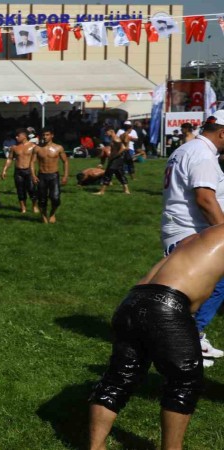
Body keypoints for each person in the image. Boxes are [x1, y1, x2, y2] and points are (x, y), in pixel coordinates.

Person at [87, 222, 224, 450]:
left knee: (119, 377)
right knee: (185, 381)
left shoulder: (196, 238)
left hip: (131, 302)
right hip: (166, 305)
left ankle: (95, 446)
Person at [161, 111, 224, 367]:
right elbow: (205, 199)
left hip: (183, 230)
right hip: (192, 232)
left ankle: (187, 336)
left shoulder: (188, 149)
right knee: (206, 288)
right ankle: (188, 338)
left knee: (201, 288)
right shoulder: (202, 154)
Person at [31, 127, 69, 224]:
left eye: (47, 135)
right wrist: (33, 175)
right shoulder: (37, 148)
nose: (45, 137)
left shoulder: (58, 148)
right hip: (42, 176)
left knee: (55, 198)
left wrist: (65, 176)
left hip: (54, 176)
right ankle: (43, 215)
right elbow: (32, 162)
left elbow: (65, 161)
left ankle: (52, 213)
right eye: (43, 135)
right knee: (42, 199)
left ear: (52, 135)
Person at [2, 129, 38, 213]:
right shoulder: (14, 147)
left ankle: (34, 206)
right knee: (20, 190)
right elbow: (10, 159)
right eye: (16, 135)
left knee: (32, 190)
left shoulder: (33, 146)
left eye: (18, 136)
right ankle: (23, 208)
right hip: (18, 172)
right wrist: (4, 170)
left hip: (29, 171)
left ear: (24, 136)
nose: (16, 137)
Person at [94, 127, 131, 195]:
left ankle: (102, 191)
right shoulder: (114, 138)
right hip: (117, 159)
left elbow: (123, 148)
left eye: (106, 132)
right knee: (119, 174)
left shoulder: (115, 138)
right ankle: (126, 190)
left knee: (107, 174)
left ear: (111, 131)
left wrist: (114, 155)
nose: (105, 134)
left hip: (116, 159)